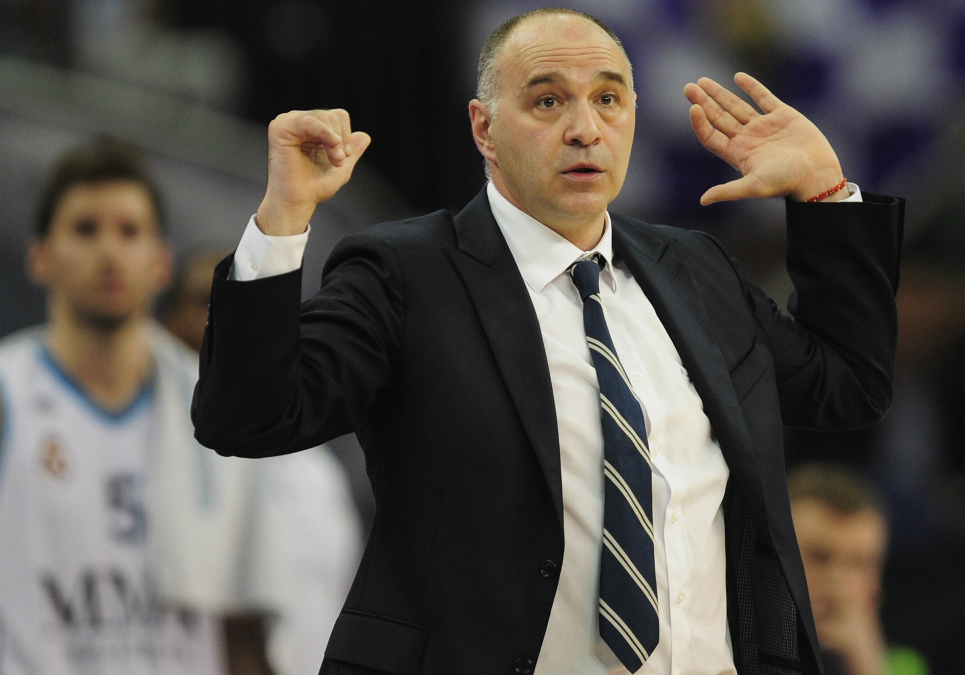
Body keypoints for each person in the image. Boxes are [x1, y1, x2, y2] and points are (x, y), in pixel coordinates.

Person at [192, 8, 902, 675]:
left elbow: (848, 385)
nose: (586, 128)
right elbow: (250, 415)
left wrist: (825, 193)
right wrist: (283, 216)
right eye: (548, 101)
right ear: (483, 128)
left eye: (608, 100)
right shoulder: (406, 274)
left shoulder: (697, 269)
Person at [0, 138, 265, 674]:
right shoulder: (9, 390)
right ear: (39, 256)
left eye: (129, 231)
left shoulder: (215, 401)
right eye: (84, 229)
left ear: (161, 262)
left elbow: (245, 615)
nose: (109, 251)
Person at [161, 249, 364, 675]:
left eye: (241, 301)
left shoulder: (316, 470)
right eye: (205, 300)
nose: (226, 316)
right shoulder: (150, 442)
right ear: (167, 320)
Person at [787, 464, 929, 675]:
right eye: (819, 557)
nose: (837, 582)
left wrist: (865, 666)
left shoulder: (905, 666)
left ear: (876, 587)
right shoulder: (726, 642)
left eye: (860, 564)